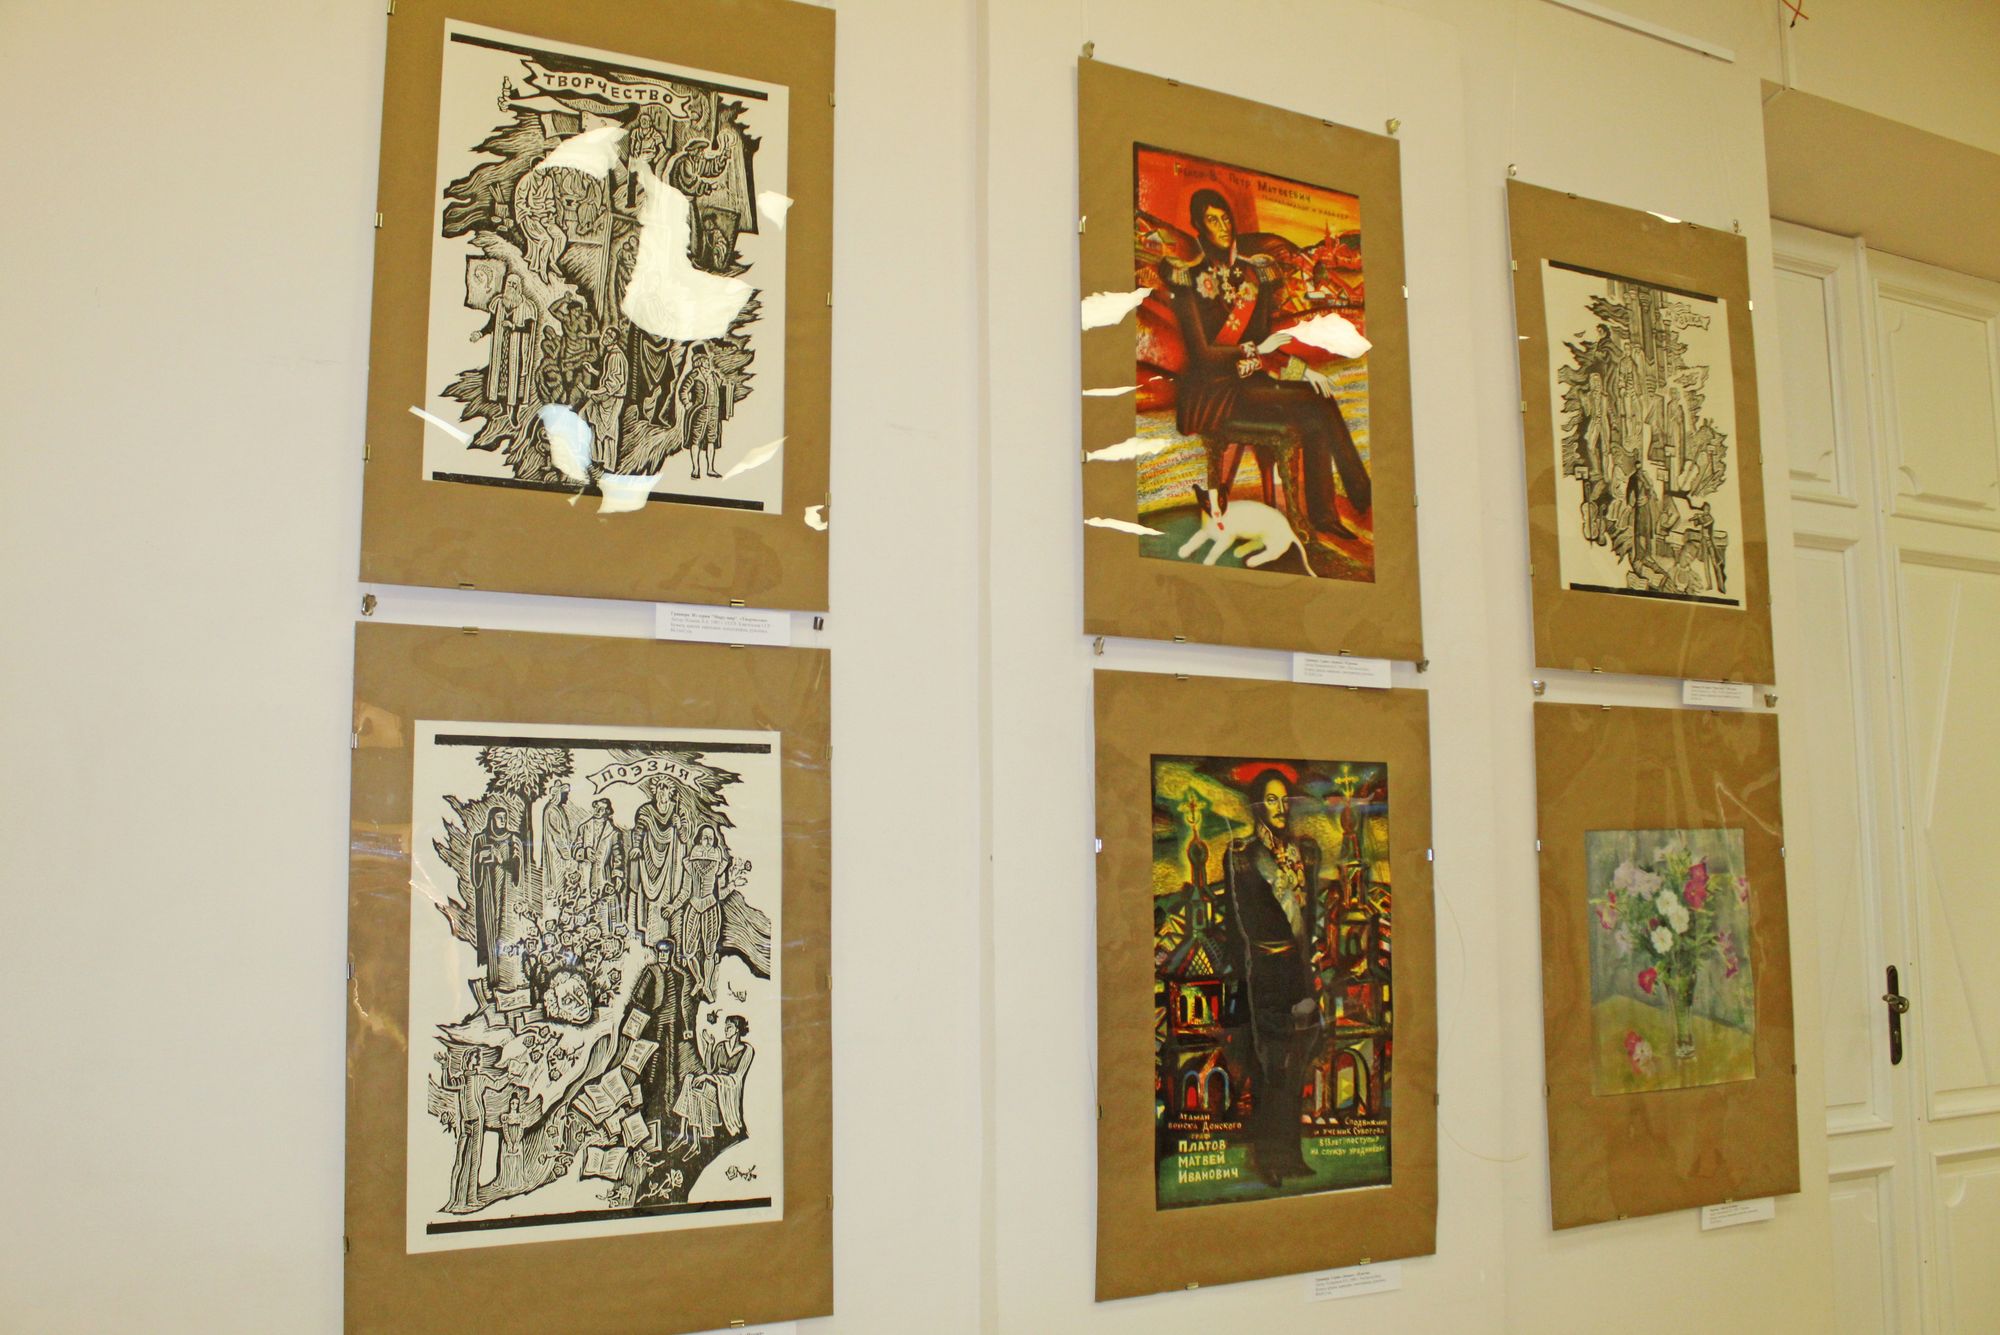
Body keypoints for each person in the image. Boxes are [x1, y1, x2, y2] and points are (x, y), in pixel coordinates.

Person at [1168, 189, 1371, 545]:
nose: (1223, 226)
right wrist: (1252, 349)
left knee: (1318, 398)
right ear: (1199, 226)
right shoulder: (1188, 281)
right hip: (1214, 393)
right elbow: (1202, 355)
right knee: (1314, 403)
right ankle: (1362, 496)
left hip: (1249, 383)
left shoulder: (1252, 275)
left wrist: (1303, 372)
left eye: (1226, 218)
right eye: (1213, 220)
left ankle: (1326, 515)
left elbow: (1268, 344)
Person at [1221, 769, 1324, 1187]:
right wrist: (1252, 973)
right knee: (1270, 1067)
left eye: (1284, 799)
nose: (1280, 808)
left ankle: (1291, 1156)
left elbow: (1310, 916)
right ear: (1257, 806)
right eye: (1271, 799)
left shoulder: (1304, 853)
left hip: (1300, 974)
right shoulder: (1243, 856)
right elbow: (1239, 923)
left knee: (1296, 1064)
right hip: (1265, 976)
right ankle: (1269, 1159)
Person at [619, 938, 699, 1147]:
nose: (663, 955)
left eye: (666, 952)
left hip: (671, 1029)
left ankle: (667, 1111)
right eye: (660, 952)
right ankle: (647, 1109)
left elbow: (679, 1006)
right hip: (652, 1027)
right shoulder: (651, 972)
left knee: (669, 1069)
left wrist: (685, 1028)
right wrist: (634, 1023)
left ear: (671, 954)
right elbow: (638, 999)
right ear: (657, 953)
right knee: (650, 1069)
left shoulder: (678, 976)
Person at [669, 1015, 753, 1153]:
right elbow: (709, 1069)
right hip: (712, 1084)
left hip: (725, 1091)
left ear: (737, 1029)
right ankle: (684, 1133)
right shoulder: (720, 1046)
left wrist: (708, 1077)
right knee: (689, 1079)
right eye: (725, 1026)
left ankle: (694, 1141)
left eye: (729, 1027)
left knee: (697, 1093)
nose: (725, 1029)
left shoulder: (747, 1050)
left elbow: (735, 1080)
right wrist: (709, 1046)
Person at [629, 777, 687, 941]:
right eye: (659, 788)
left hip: (670, 864)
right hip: (649, 862)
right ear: (654, 791)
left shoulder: (677, 810)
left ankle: (665, 938)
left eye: (665, 788)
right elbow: (638, 830)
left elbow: (684, 838)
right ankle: (650, 938)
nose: (662, 791)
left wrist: (679, 825)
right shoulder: (646, 810)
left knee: (666, 899)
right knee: (650, 900)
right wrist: (636, 846)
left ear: (670, 792)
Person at [468, 807, 523, 980]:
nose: (503, 821)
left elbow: (517, 866)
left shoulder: (513, 839)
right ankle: (492, 975)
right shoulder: (481, 839)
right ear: (492, 819)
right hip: (488, 892)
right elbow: (475, 869)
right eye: (499, 817)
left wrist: (502, 861)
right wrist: (480, 858)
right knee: (490, 929)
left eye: (505, 817)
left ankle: (509, 975)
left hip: (507, 891)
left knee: (506, 930)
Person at [674, 826, 727, 998]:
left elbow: (722, 892)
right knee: (688, 951)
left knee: (709, 951)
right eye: (705, 838)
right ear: (699, 839)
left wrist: (733, 882)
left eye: (711, 839)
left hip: (711, 906)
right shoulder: (690, 862)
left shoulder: (719, 863)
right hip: (694, 906)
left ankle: (708, 987)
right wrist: (673, 906)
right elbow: (685, 891)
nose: (708, 842)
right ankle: (699, 980)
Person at [536, 782, 577, 922]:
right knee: (557, 885)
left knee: (563, 886)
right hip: (556, 856)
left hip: (560, 855)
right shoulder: (552, 810)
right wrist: (567, 855)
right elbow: (557, 836)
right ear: (559, 795)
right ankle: (554, 918)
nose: (567, 797)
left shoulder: (557, 809)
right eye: (565, 794)